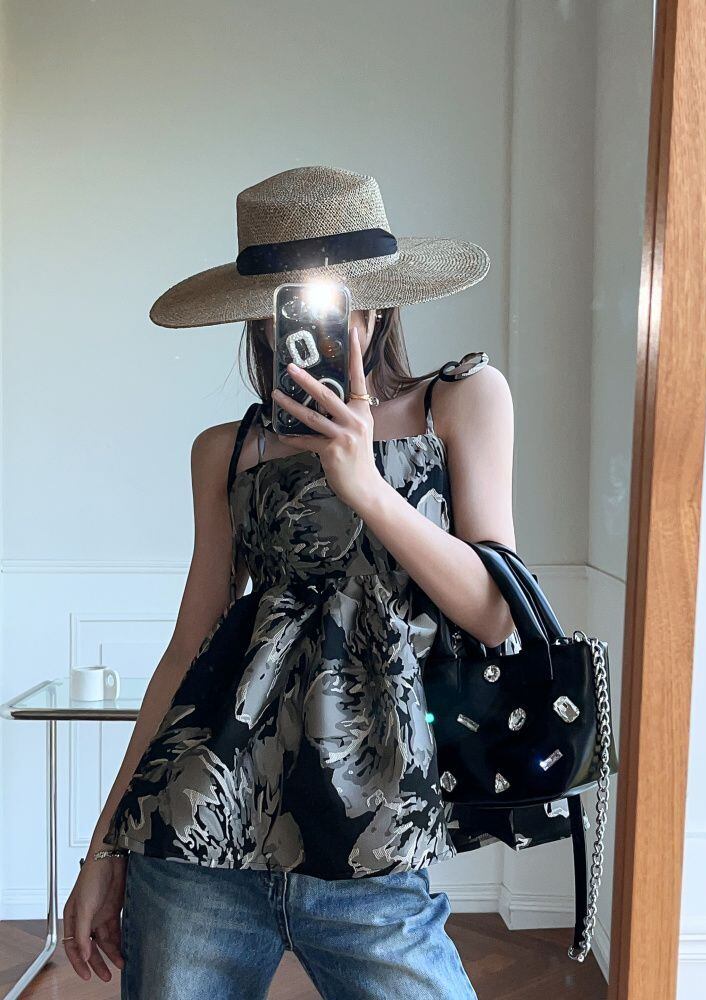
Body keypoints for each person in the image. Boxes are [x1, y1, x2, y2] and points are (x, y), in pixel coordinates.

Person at [62, 166, 517, 999]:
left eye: (341, 302)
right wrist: (104, 848)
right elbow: (187, 652)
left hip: (374, 842)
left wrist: (365, 483)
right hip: (199, 838)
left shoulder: (460, 401)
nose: (315, 328)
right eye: (290, 309)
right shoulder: (226, 451)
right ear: (260, 318)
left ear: (378, 304)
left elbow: (495, 613)